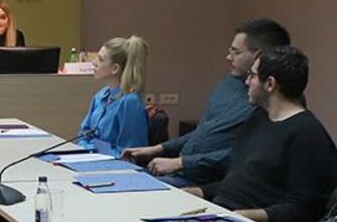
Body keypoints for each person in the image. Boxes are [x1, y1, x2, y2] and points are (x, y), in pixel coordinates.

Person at [123, 18, 290, 187]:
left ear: (258, 56)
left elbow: (241, 155)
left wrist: (181, 163)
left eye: (236, 52)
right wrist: (159, 149)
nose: (228, 57)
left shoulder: (266, 100)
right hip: (181, 171)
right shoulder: (230, 83)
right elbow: (203, 132)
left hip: (207, 182)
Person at [188, 46, 337, 222]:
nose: (246, 82)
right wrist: (196, 192)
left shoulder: (308, 136)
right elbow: (239, 183)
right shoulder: (258, 119)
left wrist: (238, 216)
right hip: (223, 214)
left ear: (270, 84)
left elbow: (304, 209)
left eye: (252, 76)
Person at [79, 35, 150, 155]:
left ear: (115, 68)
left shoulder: (130, 102)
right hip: (92, 158)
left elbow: (128, 153)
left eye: (100, 59)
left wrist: (93, 150)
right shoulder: (101, 95)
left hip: (114, 164)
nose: (93, 63)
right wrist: (88, 149)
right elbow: (83, 135)